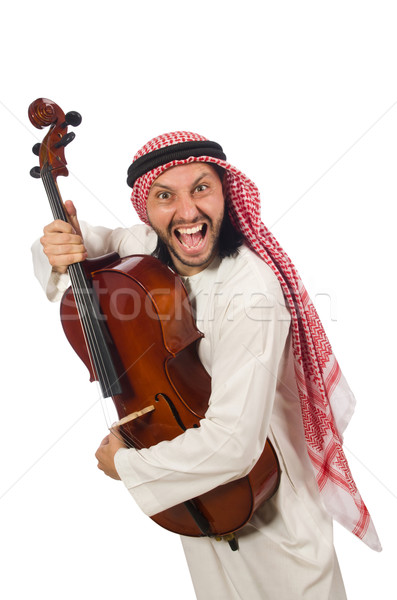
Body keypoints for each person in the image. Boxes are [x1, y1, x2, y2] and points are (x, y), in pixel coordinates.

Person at [31, 131, 381, 599]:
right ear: (147, 209)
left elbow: (236, 444)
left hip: (273, 509)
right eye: (164, 196)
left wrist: (130, 466)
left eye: (200, 188)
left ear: (224, 193)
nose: (187, 212)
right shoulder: (146, 248)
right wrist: (59, 244)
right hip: (197, 497)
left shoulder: (250, 291)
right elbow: (98, 241)